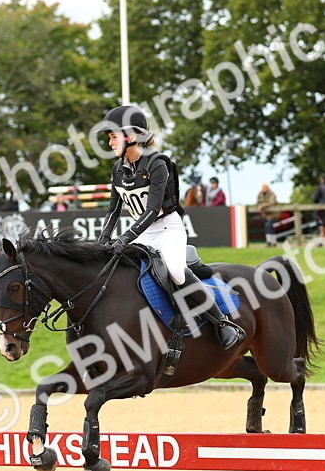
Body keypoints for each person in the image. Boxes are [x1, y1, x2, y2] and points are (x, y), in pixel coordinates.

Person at [93, 105, 243, 349]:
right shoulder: (118, 169)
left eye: (112, 136)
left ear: (130, 136)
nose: (109, 143)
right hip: (142, 232)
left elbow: (152, 211)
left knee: (175, 271)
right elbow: (113, 209)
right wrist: (104, 239)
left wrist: (125, 238)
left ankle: (223, 323)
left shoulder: (156, 163)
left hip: (167, 229)